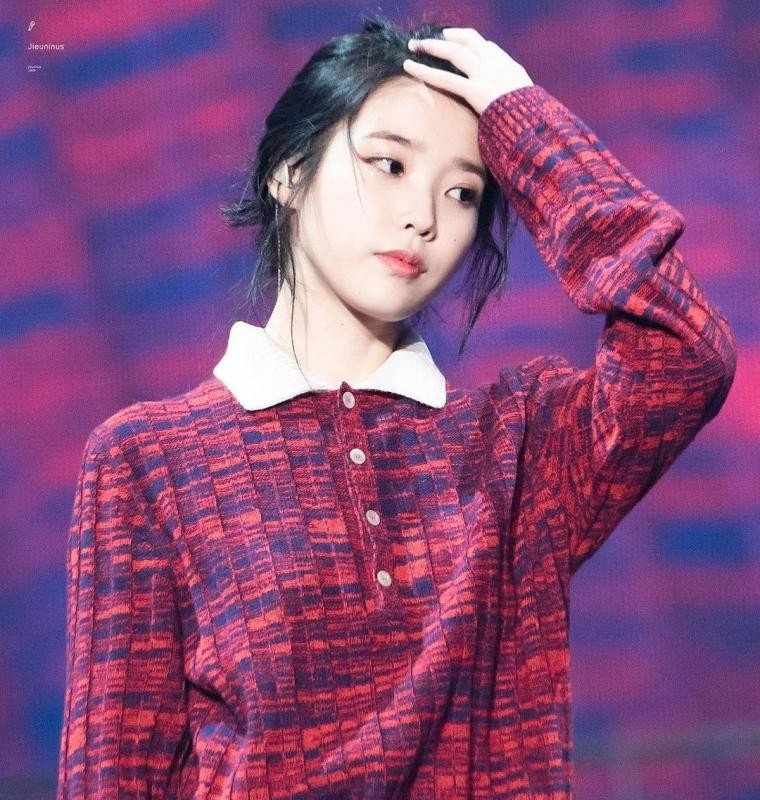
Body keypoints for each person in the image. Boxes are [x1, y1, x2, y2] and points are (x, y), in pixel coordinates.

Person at [56, 16, 737, 800]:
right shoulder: (149, 459)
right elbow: (112, 776)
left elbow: (686, 354)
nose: (423, 216)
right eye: (389, 164)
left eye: (463, 192)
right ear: (288, 171)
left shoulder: (517, 446)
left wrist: (527, 125)